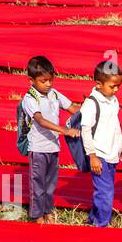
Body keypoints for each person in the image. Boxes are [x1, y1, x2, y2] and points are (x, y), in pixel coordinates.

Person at [20, 55, 79, 224]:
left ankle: (48, 212)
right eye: (43, 81)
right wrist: (65, 130)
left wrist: (91, 110)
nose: (48, 84)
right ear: (31, 80)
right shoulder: (30, 99)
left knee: (50, 185)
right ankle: (37, 216)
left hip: (53, 148)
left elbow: (72, 108)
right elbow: (40, 120)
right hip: (38, 149)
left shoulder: (54, 93)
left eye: (50, 80)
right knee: (37, 185)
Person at [80, 60, 122, 227]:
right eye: (112, 86)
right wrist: (92, 156)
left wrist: (121, 145)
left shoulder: (113, 100)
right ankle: (101, 225)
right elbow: (85, 131)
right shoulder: (91, 104)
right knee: (106, 191)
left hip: (112, 152)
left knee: (103, 190)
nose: (116, 90)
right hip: (99, 153)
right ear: (99, 84)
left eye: (118, 86)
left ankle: (93, 218)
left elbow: (115, 124)